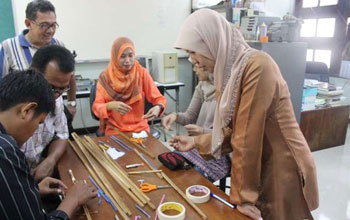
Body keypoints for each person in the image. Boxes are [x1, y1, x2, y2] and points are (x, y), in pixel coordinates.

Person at [169, 9, 319, 220]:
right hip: (261, 164)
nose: (193, 61)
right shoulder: (230, 72)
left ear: (210, 41)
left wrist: (242, 197)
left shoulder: (257, 66)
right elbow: (234, 130)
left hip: (283, 165)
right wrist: (195, 142)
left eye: (193, 52)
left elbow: (246, 137)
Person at [0, 70, 97, 220]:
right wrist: (72, 200)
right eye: (39, 122)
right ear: (27, 111)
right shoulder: (5, 151)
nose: (35, 132)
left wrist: (33, 191)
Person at [0, 0, 77, 131]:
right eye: (44, 25)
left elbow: (70, 76)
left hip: (54, 117)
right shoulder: (8, 47)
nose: (51, 31)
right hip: (24, 120)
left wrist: (71, 103)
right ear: (28, 23)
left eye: (54, 25)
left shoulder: (58, 45)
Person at [162, 65, 231, 182]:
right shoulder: (203, 85)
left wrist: (203, 132)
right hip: (195, 146)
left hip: (219, 153)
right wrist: (175, 115)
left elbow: (232, 135)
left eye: (197, 65)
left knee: (187, 182)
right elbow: (190, 116)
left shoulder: (230, 91)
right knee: (168, 170)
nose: (194, 69)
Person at [93, 37, 166, 135]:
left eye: (131, 55)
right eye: (122, 56)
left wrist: (158, 107)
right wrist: (110, 106)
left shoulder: (141, 73)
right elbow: (96, 107)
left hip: (140, 128)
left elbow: (159, 98)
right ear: (115, 56)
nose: (128, 60)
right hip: (115, 130)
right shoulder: (105, 77)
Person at [22, 45, 73, 182]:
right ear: (33, 73)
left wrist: (50, 160)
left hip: (39, 173)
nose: (56, 95)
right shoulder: (15, 104)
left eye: (62, 89)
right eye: (51, 87)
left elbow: (62, 135)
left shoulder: (56, 99)